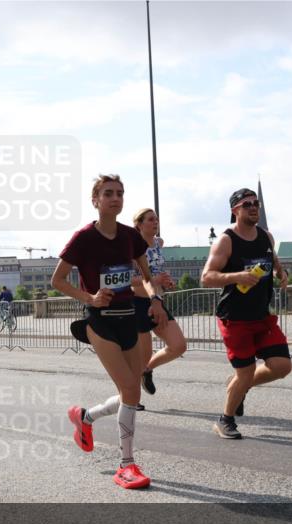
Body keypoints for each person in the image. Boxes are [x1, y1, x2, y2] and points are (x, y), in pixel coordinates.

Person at [52, 174, 165, 490]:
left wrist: (154, 298)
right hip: (100, 323)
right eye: (108, 193)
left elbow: (146, 275)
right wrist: (89, 297)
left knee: (132, 392)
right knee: (130, 387)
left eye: (120, 193)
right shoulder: (84, 238)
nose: (115, 198)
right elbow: (57, 280)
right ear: (95, 200)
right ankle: (126, 465)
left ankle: (85, 417)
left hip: (129, 317)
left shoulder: (131, 236)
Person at [200, 187, 291, 440]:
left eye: (256, 203)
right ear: (235, 210)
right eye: (247, 204)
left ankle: (239, 384)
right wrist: (237, 276)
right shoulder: (226, 240)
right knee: (246, 371)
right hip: (235, 317)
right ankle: (225, 420)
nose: (253, 207)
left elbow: (273, 263)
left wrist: (281, 274)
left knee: (282, 366)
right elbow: (206, 277)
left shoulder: (266, 237)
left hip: (261, 315)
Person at [131, 208, 187, 407]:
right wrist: (153, 279)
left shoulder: (158, 243)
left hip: (157, 300)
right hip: (136, 303)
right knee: (141, 354)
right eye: (150, 219)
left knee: (179, 345)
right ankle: (130, 398)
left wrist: (165, 281)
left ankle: (147, 371)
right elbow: (127, 279)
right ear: (139, 224)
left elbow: (158, 270)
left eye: (156, 219)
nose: (155, 222)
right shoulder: (130, 246)